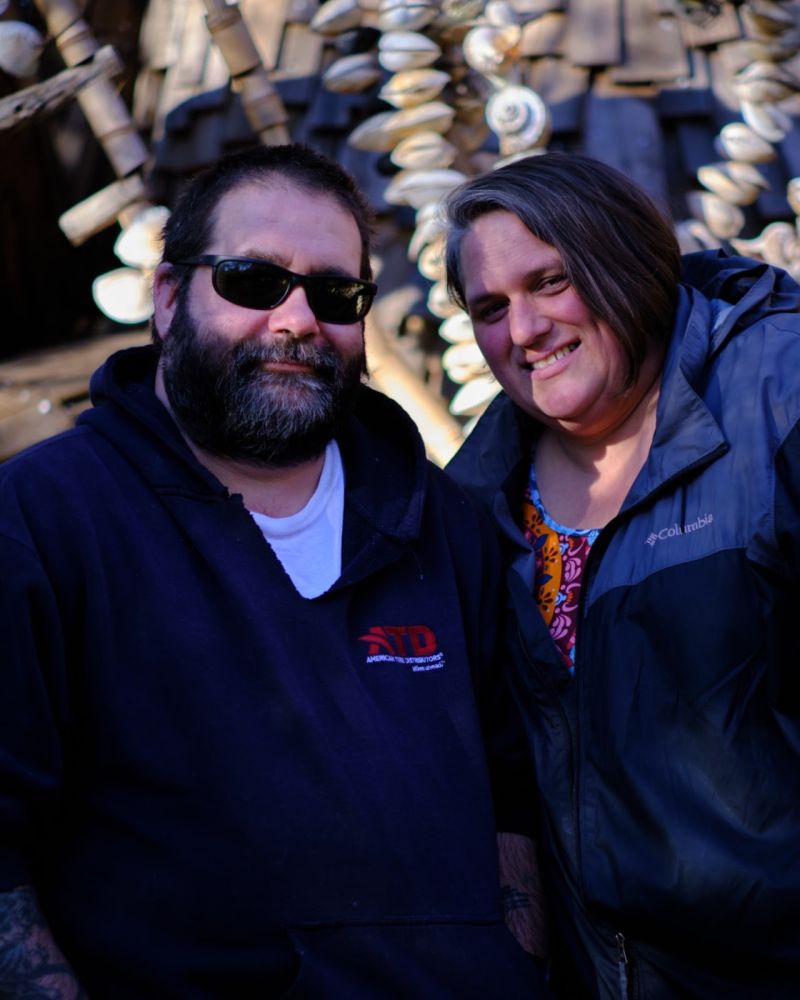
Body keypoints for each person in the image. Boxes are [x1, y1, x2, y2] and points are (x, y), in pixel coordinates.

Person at [0, 143, 549, 998]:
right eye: (253, 281)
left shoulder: (447, 526)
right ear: (168, 297)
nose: (296, 320)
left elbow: (511, 796)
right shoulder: (43, 518)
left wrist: (518, 967)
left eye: (335, 294)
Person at [444, 150, 800, 999]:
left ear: (625, 261)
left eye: (551, 281)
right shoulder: (473, 502)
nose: (524, 330)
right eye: (490, 308)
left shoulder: (778, 399)